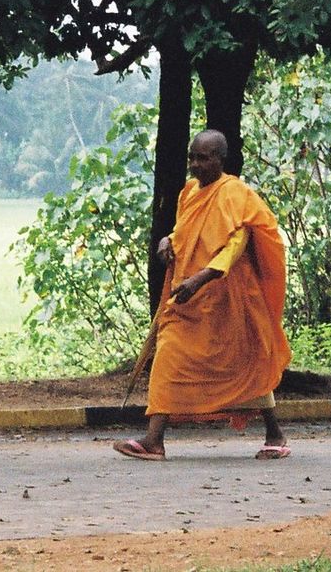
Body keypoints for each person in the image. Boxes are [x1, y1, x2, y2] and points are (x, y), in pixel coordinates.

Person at [113, 129, 291, 461]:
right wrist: (169, 242)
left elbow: (234, 247)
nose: (195, 165)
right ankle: (154, 440)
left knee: (249, 361)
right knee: (168, 353)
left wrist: (199, 280)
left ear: (221, 160)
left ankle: (275, 434)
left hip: (230, 297)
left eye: (203, 158)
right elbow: (187, 233)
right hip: (189, 300)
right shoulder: (189, 193)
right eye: (192, 157)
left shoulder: (237, 195)